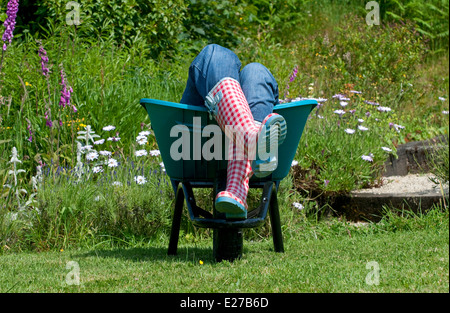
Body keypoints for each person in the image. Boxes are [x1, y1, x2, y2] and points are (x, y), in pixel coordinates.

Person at [180, 44, 287, 219]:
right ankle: (252, 142)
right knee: (221, 57)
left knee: (253, 71)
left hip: (197, 154)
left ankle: (237, 185)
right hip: (197, 148)